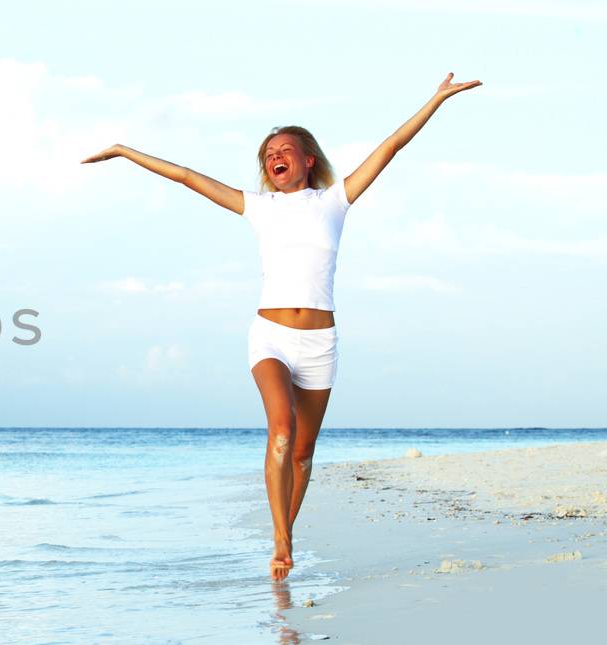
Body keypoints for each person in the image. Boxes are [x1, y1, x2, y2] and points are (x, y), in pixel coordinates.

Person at [80, 73, 482, 580]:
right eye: (268, 151)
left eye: (284, 148)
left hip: (319, 342)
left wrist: (436, 100)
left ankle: (285, 536)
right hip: (270, 335)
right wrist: (123, 150)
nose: (275, 155)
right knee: (282, 432)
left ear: (306, 159)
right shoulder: (258, 206)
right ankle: (281, 540)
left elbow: (393, 145)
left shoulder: (334, 201)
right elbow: (185, 175)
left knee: (305, 452)